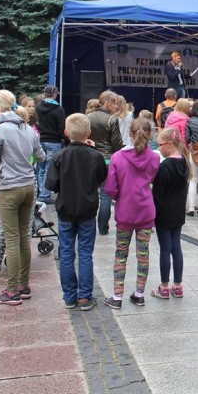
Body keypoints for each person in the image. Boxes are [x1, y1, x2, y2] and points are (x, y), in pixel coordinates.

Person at [0, 90, 46, 306]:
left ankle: (12, 291)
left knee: (12, 238)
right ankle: (23, 284)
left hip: (9, 186)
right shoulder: (28, 128)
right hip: (28, 184)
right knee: (23, 237)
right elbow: (41, 156)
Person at [46, 113, 108, 311]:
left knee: (66, 252)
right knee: (85, 253)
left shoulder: (59, 155)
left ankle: (69, 296)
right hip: (88, 209)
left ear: (66, 133)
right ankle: (85, 297)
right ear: (88, 133)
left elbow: (51, 184)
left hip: (65, 209)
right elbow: (101, 178)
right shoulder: (95, 155)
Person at [103, 117, 160, 310]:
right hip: (145, 211)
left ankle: (117, 296)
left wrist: (121, 194)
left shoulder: (118, 157)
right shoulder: (154, 157)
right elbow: (152, 177)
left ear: (129, 133)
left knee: (121, 254)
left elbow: (110, 188)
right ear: (150, 134)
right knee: (143, 254)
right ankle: (139, 294)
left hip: (125, 211)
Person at [149, 127, 190, 300]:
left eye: (160, 145)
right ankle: (178, 285)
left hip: (164, 214)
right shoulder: (185, 163)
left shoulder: (165, 166)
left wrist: (152, 215)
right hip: (178, 213)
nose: (158, 149)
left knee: (165, 248)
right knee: (176, 247)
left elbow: (157, 195)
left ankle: (164, 287)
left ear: (170, 144)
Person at [88, 91, 124, 236]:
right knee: (105, 194)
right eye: (115, 103)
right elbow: (116, 142)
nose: (116, 106)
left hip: (91, 158)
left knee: (90, 192)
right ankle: (103, 227)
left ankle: (88, 225)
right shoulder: (112, 120)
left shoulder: (88, 117)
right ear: (107, 103)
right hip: (108, 160)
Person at [34, 84, 66, 204]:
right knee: (49, 168)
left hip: (40, 140)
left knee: (40, 168)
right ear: (54, 94)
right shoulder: (59, 109)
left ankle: (41, 192)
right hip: (54, 141)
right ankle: (45, 195)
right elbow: (61, 127)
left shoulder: (37, 107)